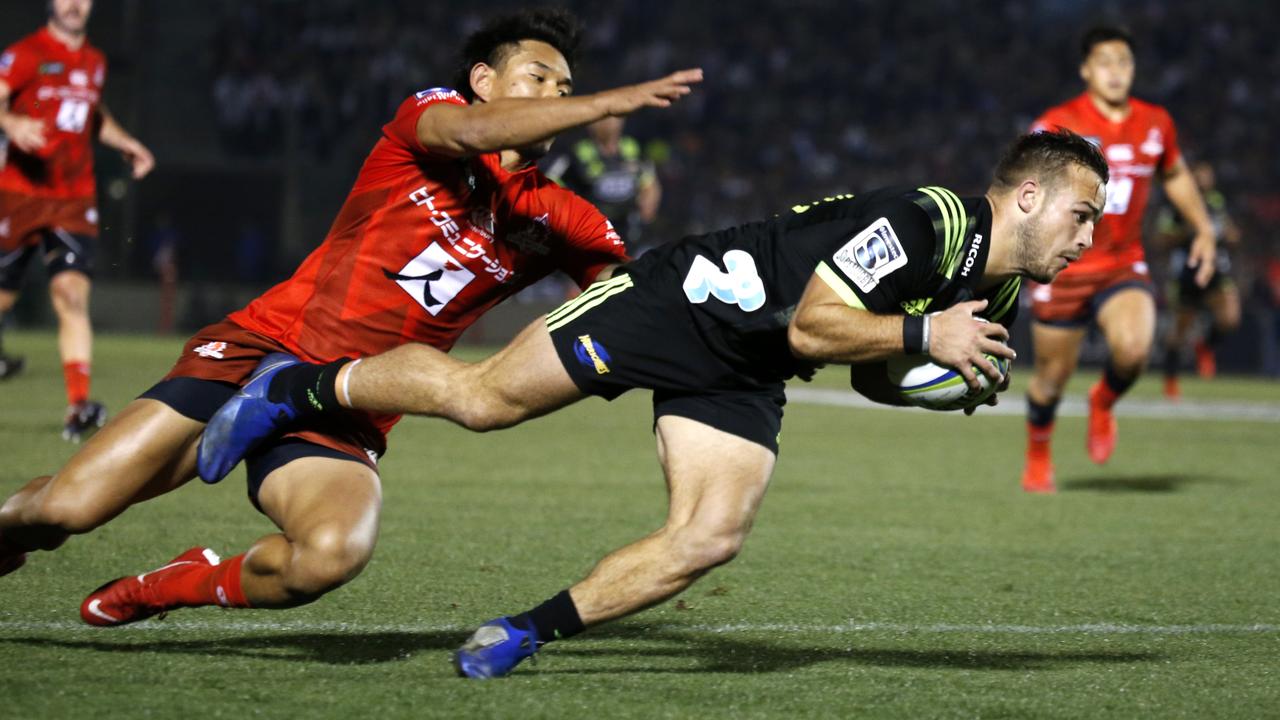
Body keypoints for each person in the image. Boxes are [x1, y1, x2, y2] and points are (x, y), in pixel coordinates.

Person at [197, 129, 1107, 678]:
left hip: (746, 368)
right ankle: (299, 388)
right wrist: (923, 341)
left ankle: (521, 631)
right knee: (485, 402)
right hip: (681, 301)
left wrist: (925, 387)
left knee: (710, 535)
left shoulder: (991, 295)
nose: (1088, 237)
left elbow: (863, 370)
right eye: (1082, 215)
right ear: (1028, 195)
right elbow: (817, 327)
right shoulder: (926, 219)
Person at [0, 8, 702, 620]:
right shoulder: (428, 120)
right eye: (539, 78)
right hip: (263, 350)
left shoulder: (563, 216)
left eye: (567, 88)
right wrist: (603, 104)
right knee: (67, 509)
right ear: (484, 81)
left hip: (350, 406)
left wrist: (694, 305)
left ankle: (175, 585)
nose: (557, 94)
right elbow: (470, 133)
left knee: (331, 556)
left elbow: (621, 291)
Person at [1020, 26, 1216, 493]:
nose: (1115, 71)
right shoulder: (1058, 123)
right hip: (1061, 267)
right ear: (1086, 69)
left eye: (1124, 62)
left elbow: (1176, 175)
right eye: (1105, 62)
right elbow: (1023, 185)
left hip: (1121, 264)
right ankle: (1038, 453)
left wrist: (1204, 229)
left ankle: (1103, 402)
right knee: (1050, 379)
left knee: (1133, 350)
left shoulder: (1155, 122)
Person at [0, 0, 155, 440]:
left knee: (70, 295)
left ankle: (78, 406)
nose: (74, 5)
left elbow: (92, 117)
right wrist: (10, 123)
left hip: (73, 198)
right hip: (19, 196)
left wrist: (128, 143)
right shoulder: (25, 53)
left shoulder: (94, 60)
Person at [1158, 159, 1240, 397]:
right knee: (1180, 329)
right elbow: (1162, 238)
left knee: (1230, 317)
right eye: (1201, 175)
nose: (1206, 179)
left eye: (1208, 175)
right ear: (1191, 178)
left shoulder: (1216, 201)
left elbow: (1229, 230)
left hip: (1215, 266)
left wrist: (1230, 235)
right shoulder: (1177, 203)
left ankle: (1205, 347)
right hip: (1188, 268)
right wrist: (1192, 231)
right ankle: (1171, 380)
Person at [545, 116, 661, 254]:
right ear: (592, 124)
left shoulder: (631, 148)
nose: (610, 124)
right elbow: (550, 181)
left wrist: (649, 198)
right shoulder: (578, 152)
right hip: (590, 231)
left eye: (616, 117)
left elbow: (648, 178)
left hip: (627, 228)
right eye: (604, 118)